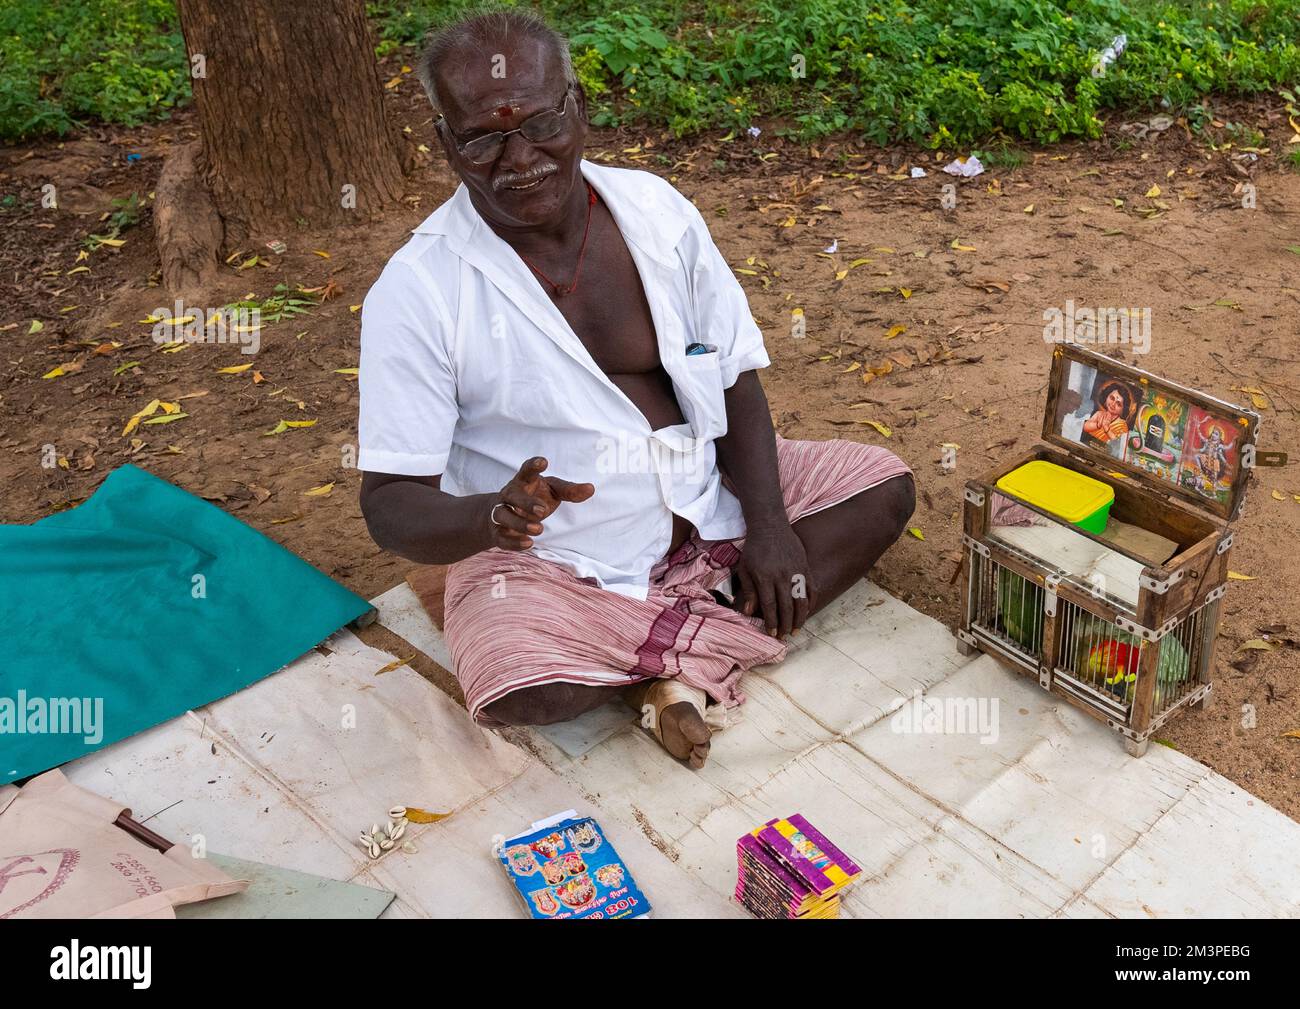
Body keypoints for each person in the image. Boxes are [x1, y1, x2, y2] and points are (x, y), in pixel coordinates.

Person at [357, 9, 914, 768]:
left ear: (578, 106)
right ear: (445, 143)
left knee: (883, 489)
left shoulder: (656, 213)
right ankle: (703, 637)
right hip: (558, 560)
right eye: (484, 137)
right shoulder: (418, 289)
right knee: (517, 685)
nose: (519, 158)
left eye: (541, 122)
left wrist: (771, 526)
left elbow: (734, 378)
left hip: (708, 493)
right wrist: (495, 515)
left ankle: (660, 662)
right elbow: (390, 505)